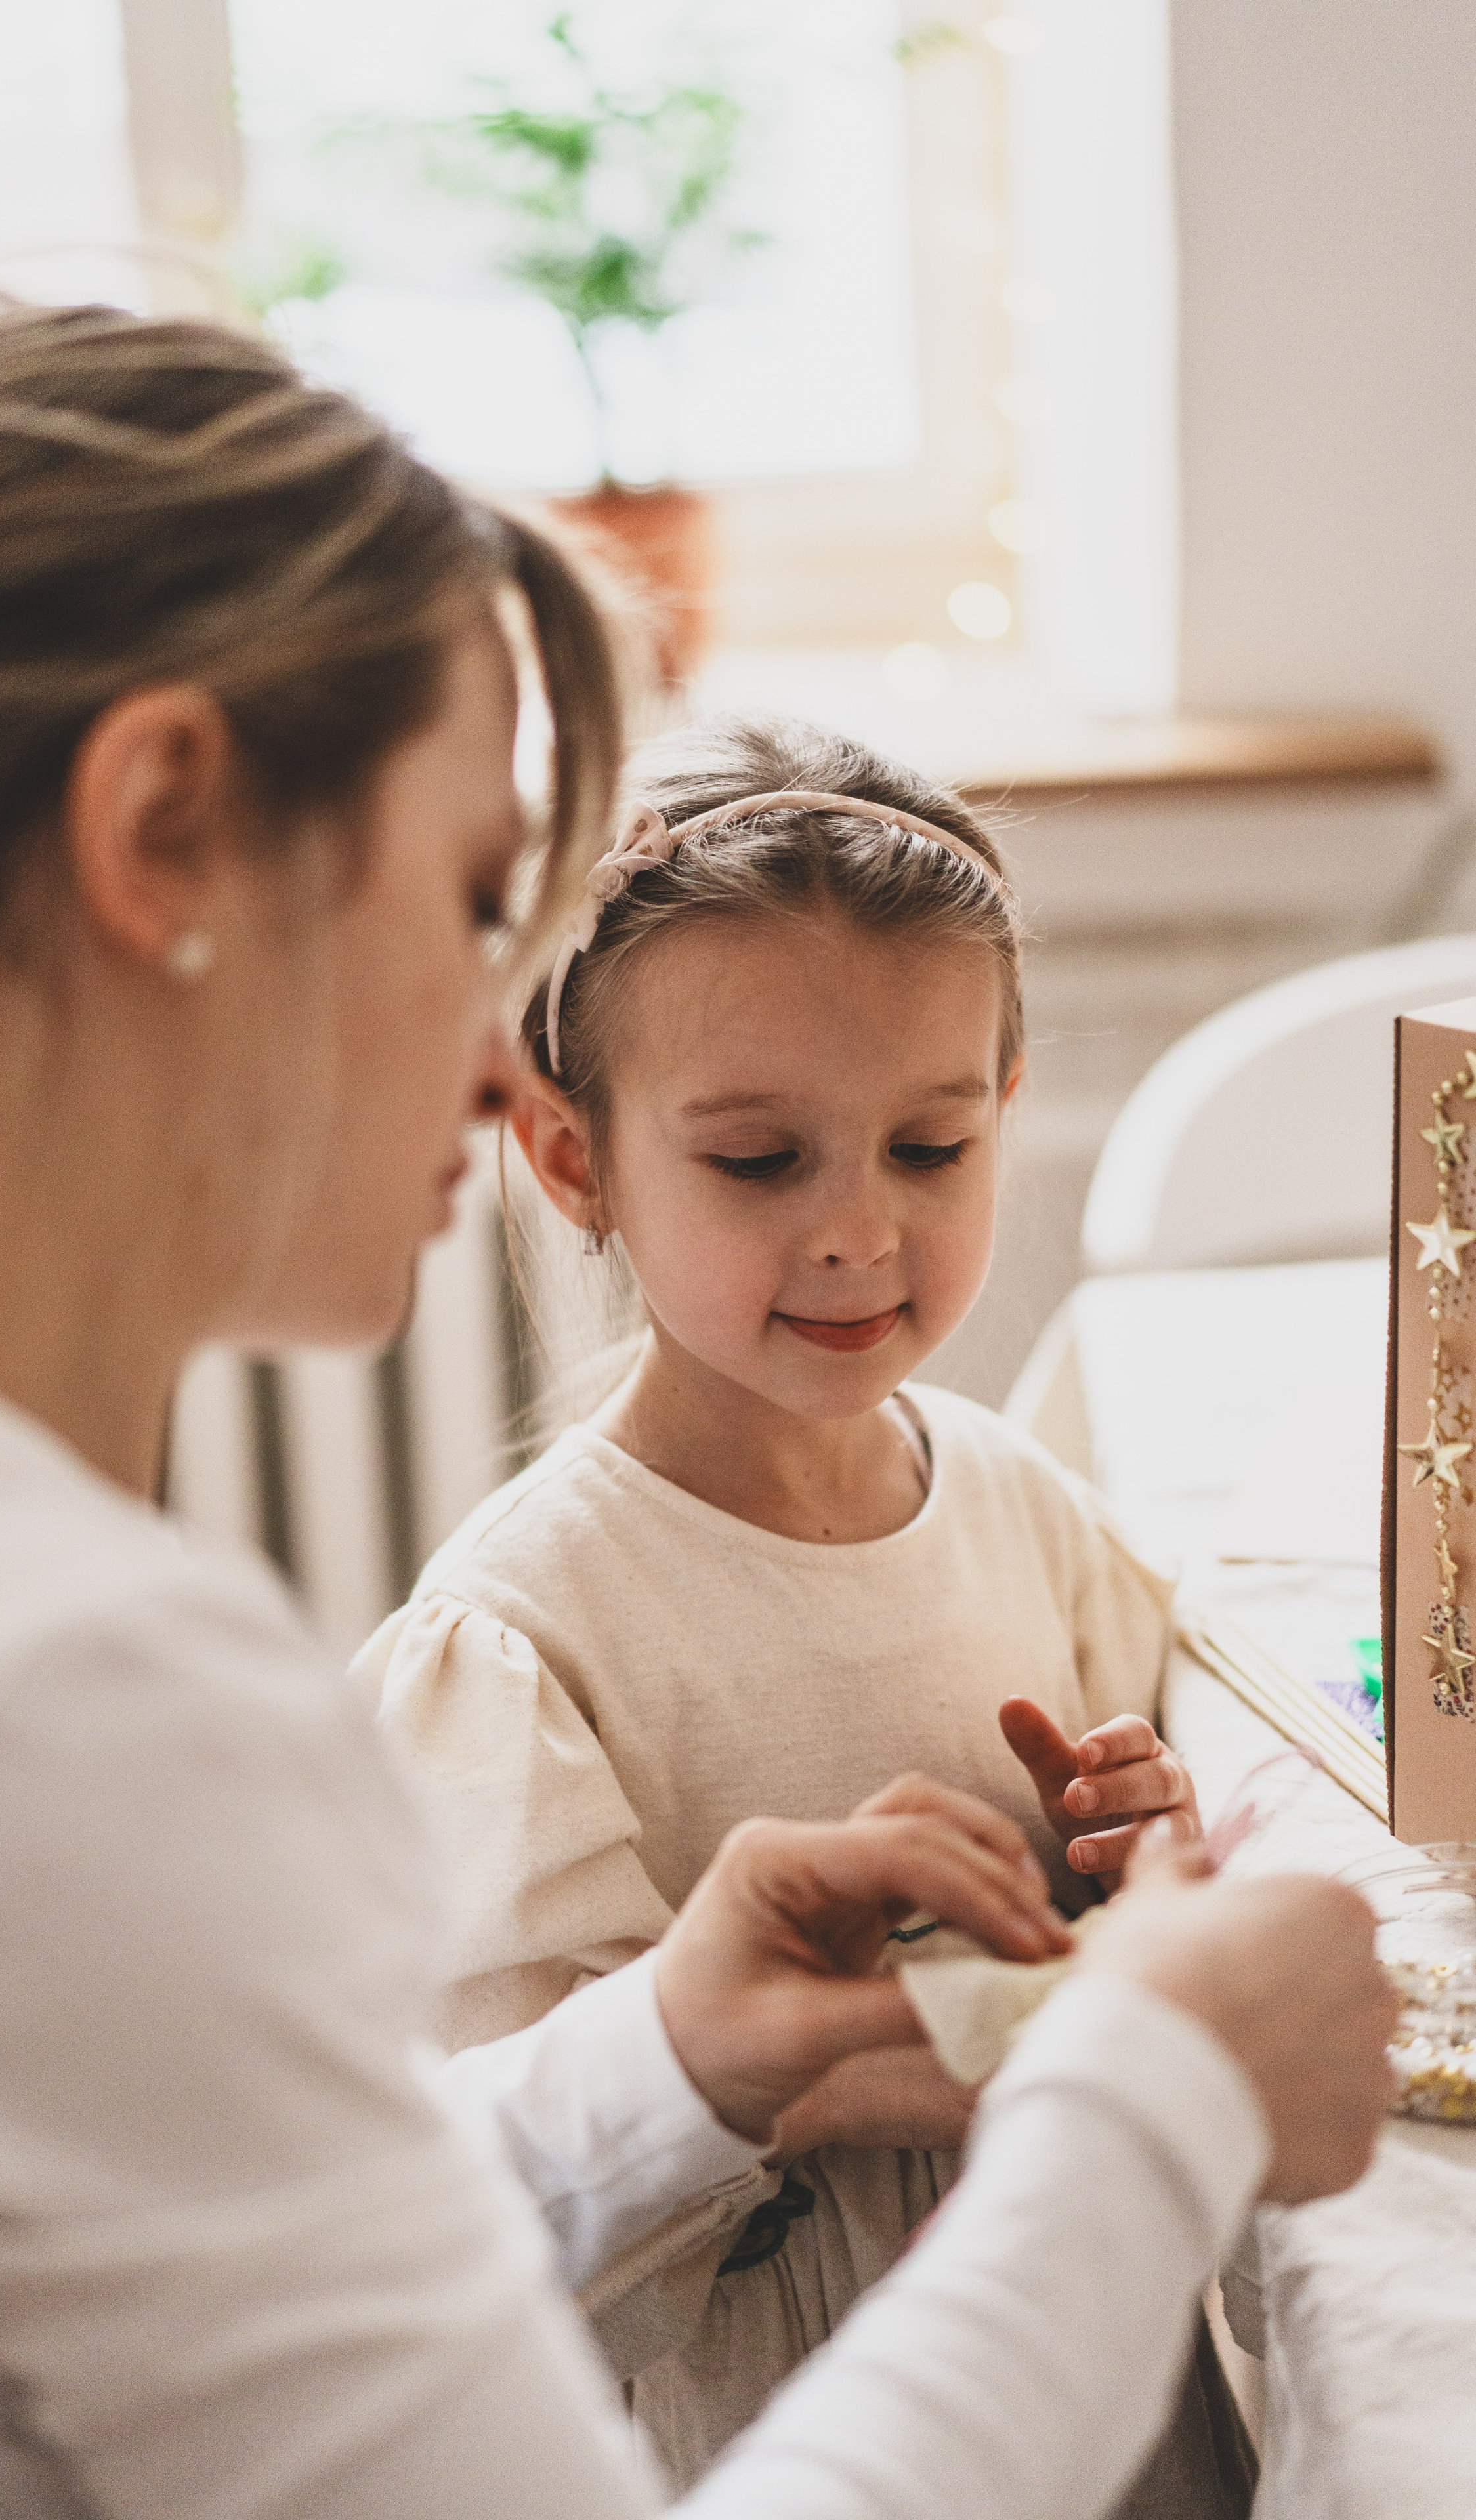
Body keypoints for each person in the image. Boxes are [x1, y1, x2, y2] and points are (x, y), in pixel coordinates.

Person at [0, 291, 1393, 2520]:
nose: (498, 1053)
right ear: (161, 829)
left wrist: (661, 2055)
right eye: (470, 901)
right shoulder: (39, 1710)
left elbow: (250, 2263)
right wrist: (1156, 2101)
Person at [364, 715, 1244, 2494]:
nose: (858, 1235)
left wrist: (1133, 1842)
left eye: (929, 1149)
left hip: (1102, 2364)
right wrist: (1034, 2034)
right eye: (762, 1164)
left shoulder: (1016, 1496)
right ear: (573, 1157)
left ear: (1008, 1108)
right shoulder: (523, 1646)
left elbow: (1135, 1846)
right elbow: (546, 2189)